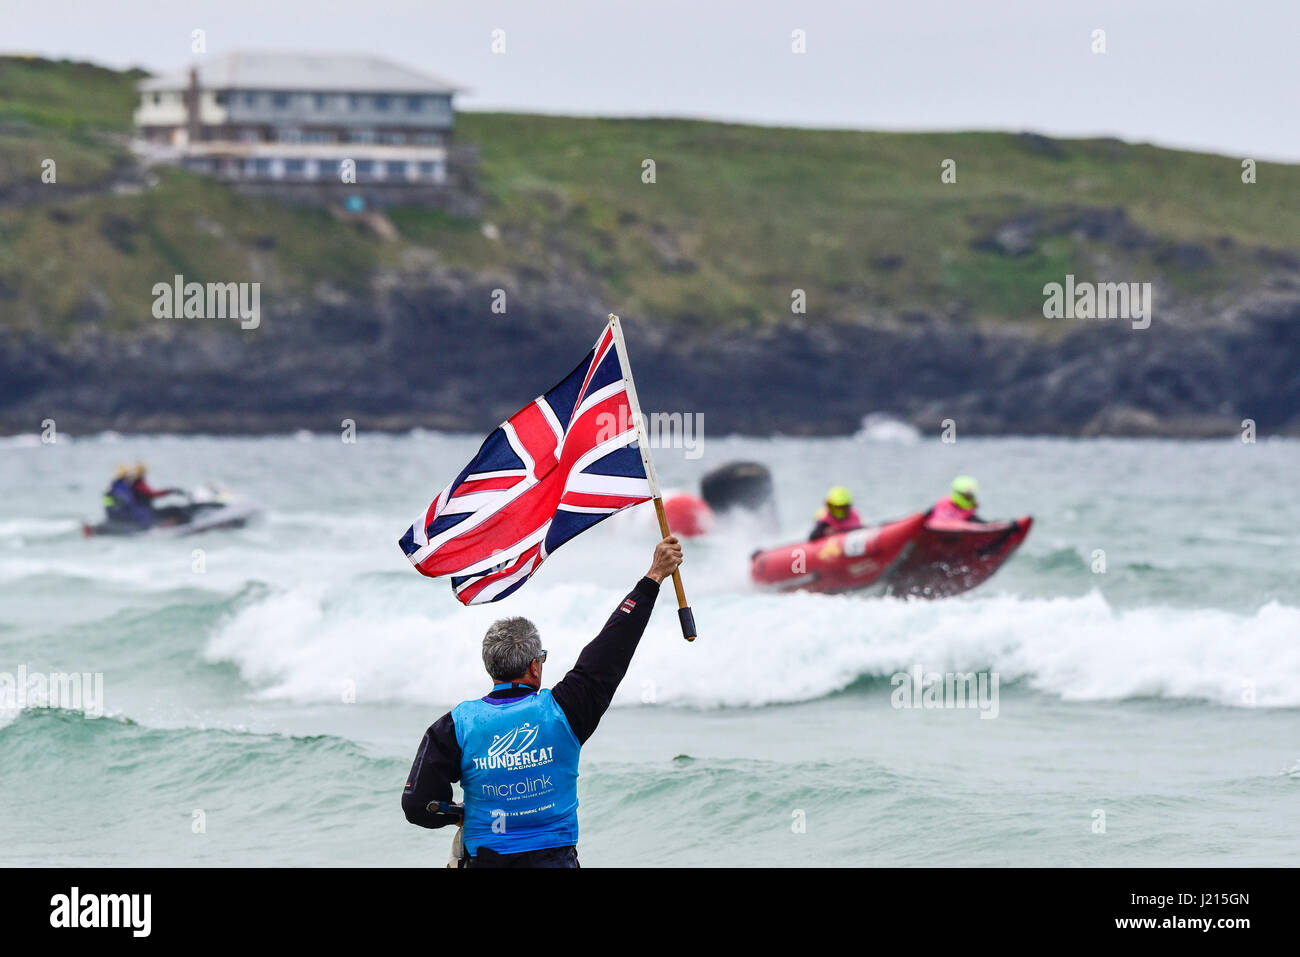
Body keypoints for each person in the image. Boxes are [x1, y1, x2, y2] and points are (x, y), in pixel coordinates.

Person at [402, 535, 685, 868]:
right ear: (535, 666)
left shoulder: (457, 725)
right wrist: (653, 577)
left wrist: (459, 814)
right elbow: (612, 647)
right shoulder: (564, 710)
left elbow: (418, 804)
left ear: (491, 668)